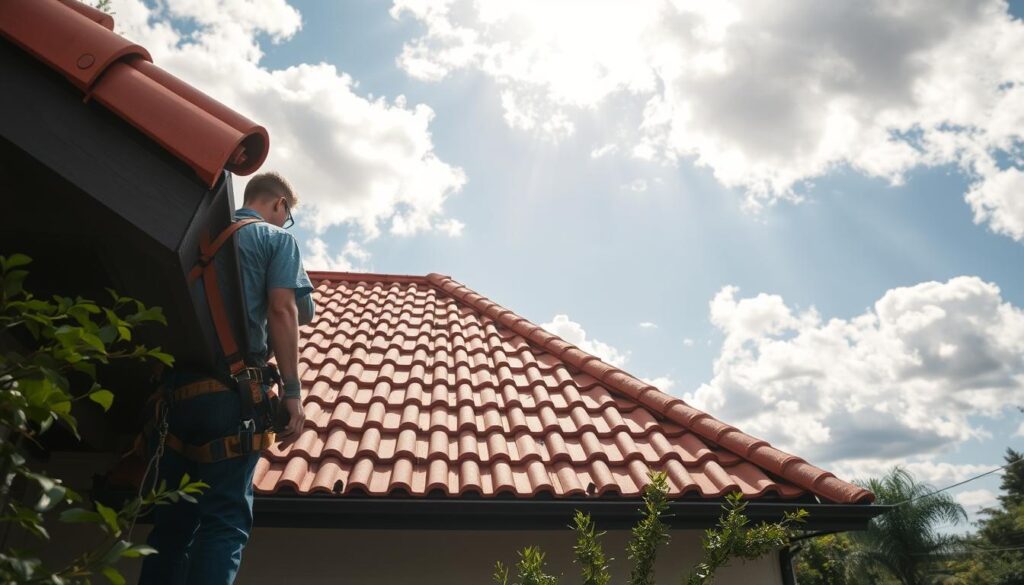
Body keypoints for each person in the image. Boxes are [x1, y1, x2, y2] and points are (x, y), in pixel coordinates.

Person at [138, 172, 315, 585]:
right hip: (233, 397)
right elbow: (287, 311)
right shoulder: (277, 240)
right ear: (280, 207)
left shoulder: (195, 236)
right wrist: (292, 392)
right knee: (224, 522)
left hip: (175, 396)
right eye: (285, 215)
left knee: (171, 526)